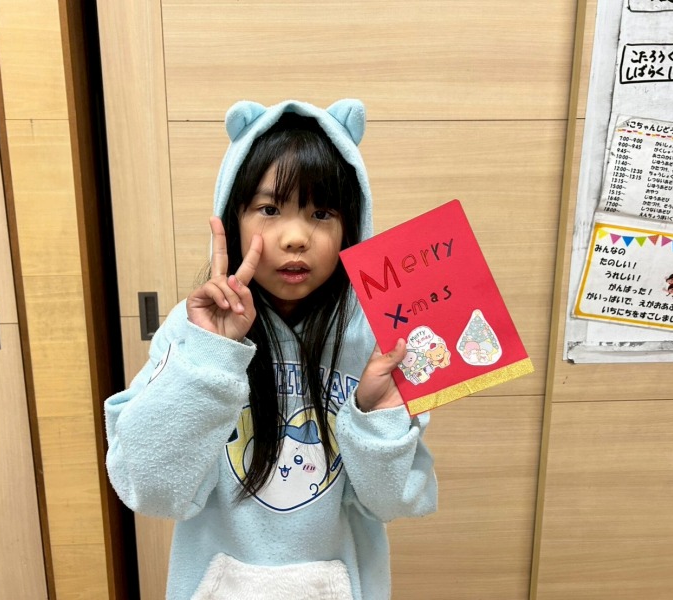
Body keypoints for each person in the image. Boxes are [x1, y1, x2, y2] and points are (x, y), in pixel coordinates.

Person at [104, 99, 438, 600]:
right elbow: (150, 488)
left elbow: (390, 503)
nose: (296, 237)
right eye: (269, 209)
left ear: (351, 226)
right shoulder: (193, 330)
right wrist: (210, 356)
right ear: (233, 218)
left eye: (321, 213)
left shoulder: (379, 340)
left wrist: (375, 415)